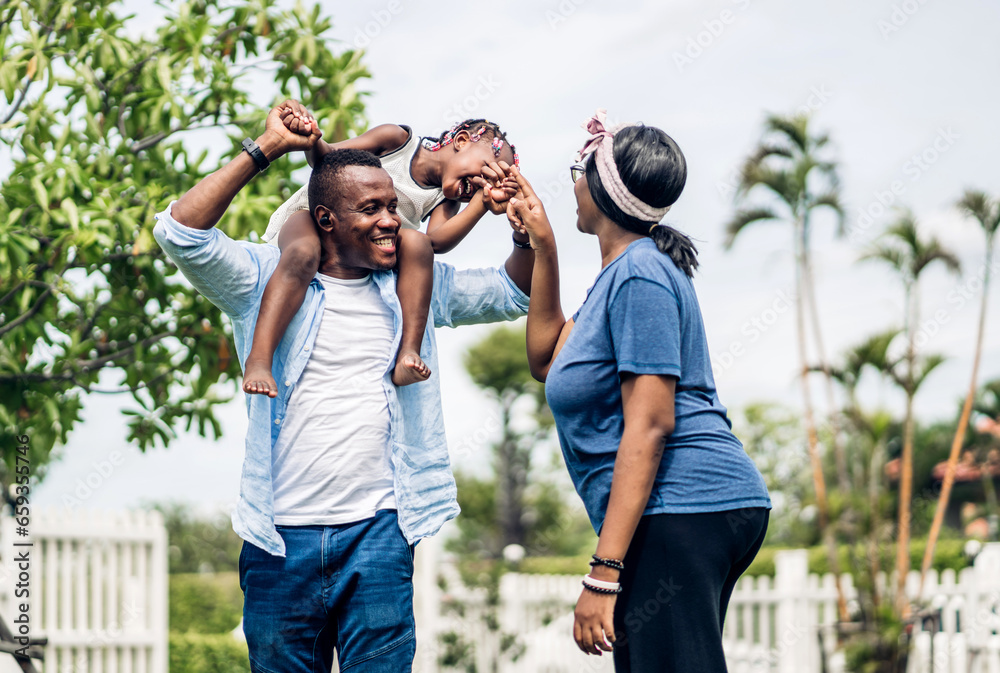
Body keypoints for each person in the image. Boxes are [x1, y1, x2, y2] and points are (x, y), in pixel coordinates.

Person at [151, 101, 537, 672]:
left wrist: (525, 234)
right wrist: (266, 149)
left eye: (392, 206)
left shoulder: (415, 287)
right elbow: (179, 233)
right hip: (279, 540)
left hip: (380, 534)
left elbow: (512, 293)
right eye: (373, 209)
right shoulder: (261, 278)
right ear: (328, 219)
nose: (391, 221)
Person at [506, 109, 771, 671]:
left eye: (579, 167)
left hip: (683, 505)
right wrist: (542, 245)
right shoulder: (618, 276)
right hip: (687, 509)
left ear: (602, 188)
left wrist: (603, 574)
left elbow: (650, 424)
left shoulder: (640, 275)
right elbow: (544, 359)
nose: (571, 180)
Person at [243, 103, 518, 395]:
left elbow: (436, 242)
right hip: (314, 218)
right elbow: (328, 158)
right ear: (462, 141)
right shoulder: (397, 140)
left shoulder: (446, 200)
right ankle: (259, 359)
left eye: (487, 184)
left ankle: (408, 352)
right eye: (485, 171)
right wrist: (311, 138)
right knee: (303, 253)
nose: (479, 184)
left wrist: (482, 203)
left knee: (417, 243)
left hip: (363, 247)